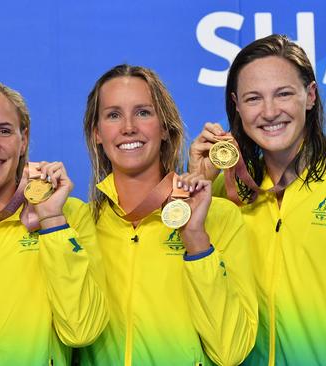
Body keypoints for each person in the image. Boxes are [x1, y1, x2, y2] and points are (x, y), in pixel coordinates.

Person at [189, 34, 326, 365]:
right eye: (253, 98)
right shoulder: (225, 196)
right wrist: (197, 184)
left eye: (284, 94)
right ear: (236, 106)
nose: (269, 111)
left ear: (310, 96)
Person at [79, 64, 257, 365]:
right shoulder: (81, 225)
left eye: (143, 112)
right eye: (113, 115)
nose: (128, 127)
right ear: (97, 133)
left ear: (164, 127)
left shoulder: (219, 216)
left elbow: (231, 351)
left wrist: (196, 242)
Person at [0, 77, 108, 365]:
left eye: (4, 131)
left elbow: (82, 330)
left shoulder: (70, 217)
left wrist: (52, 220)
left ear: (23, 138)